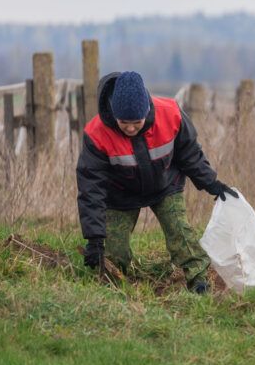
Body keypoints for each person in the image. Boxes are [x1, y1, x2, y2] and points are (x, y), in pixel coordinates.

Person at [76, 71, 238, 294]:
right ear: (113, 113)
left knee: (181, 233)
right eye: (124, 122)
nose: (130, 128)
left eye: (137, 122)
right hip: (120, 195)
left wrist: (212, 184)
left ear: (147, 110)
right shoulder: (96, 134)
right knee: (115, 254)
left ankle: (199, 280)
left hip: (166, 186)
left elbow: (190, 155)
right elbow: (91, 188)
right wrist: (94, 238)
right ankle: (114, 286)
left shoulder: (171, 114)